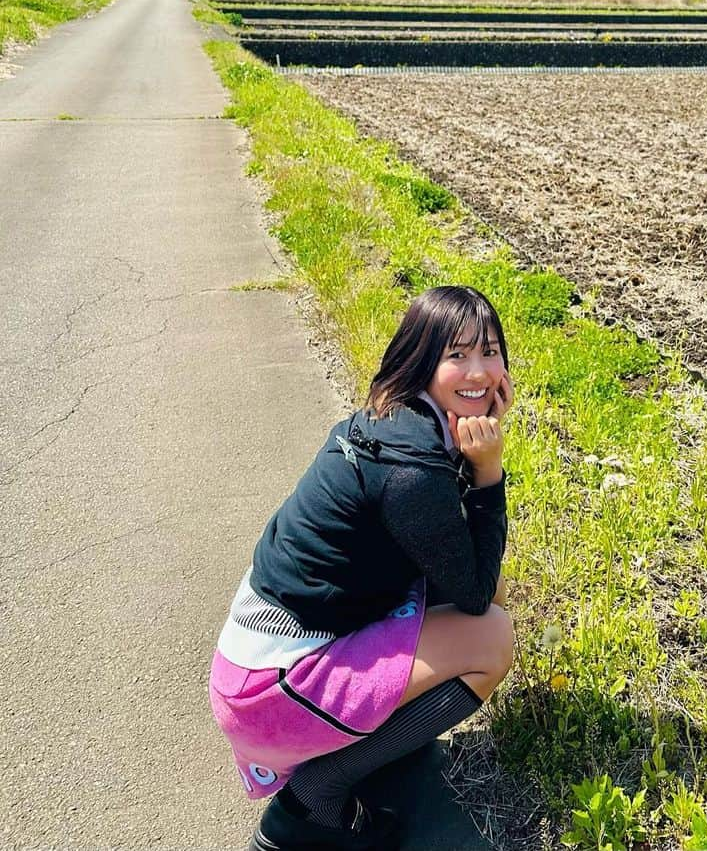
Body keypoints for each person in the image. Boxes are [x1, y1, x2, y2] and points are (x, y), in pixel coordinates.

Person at [209, 285, 515, 851]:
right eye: (458, 354)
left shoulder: (399, 419)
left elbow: (465, 565)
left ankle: (354, 743)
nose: (479, 371)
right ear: (421, 361)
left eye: (490, 350)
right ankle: (314, 796)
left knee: (479, 587)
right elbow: (474, 596)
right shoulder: (411, 468)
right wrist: (490, 470)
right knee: (491, 637)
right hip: (271, 692)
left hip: (264, 660)